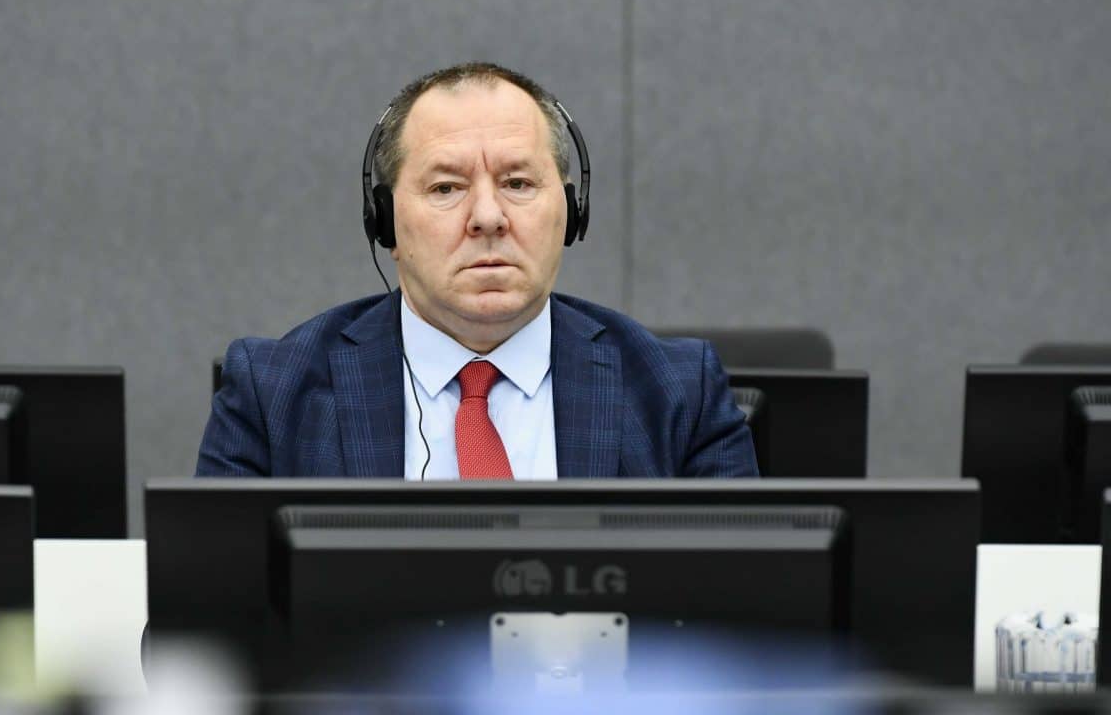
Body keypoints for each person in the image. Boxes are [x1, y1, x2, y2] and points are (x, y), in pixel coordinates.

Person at [197, 62, 757, 480]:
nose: (488, 217)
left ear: (571, 212)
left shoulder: (679, 393)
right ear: (385, 222)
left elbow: (740, 601)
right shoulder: (272, 394)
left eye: (518, 183)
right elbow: (211, 601)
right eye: (446, 188)